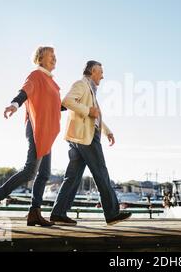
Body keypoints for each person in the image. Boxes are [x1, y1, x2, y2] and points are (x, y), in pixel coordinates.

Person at [0, 46, 62, 227]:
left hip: (47, 131)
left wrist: (74, 104)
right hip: (36, 128)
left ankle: (35, 213)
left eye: (55, 55)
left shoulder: (52, 83)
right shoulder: (36, 75)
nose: (54, 58)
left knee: (44, 174)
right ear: (40, 59)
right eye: (50, 55)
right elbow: (25, 92)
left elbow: (55, 107)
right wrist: (14, 105)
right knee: (30, 171)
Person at [50, 60, 131, 225]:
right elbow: (67, 101)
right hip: (86, 138)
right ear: (93, 71)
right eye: (100, 72)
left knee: (72, 177)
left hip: (78, 137)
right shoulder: (81, 84)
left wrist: (107, 131)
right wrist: (88, 111)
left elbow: (95, 116)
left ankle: (58, 213)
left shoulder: (90, 90)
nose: (103, 75)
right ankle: (112, 213)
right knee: (101, 172)